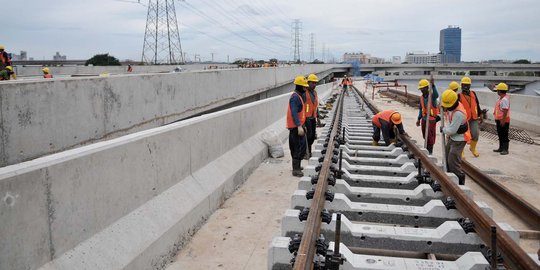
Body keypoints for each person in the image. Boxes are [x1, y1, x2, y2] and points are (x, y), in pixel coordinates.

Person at [440, 89, 471, 185]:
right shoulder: (452, 106)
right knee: (446, 157)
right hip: (453, 137)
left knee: (452, 159)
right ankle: (449, 177)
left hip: (459, 139)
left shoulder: (458, 113)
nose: (447, 108)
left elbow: (452, 130)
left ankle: (459, 179)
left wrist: (443, 129)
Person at [287, 75, 308, 177]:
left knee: (301, 147)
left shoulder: (298, 96)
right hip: (295, 128)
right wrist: (299, 126)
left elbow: (300, 113)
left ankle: (298, 166)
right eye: (304, 86)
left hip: (298, 126)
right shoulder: (295, 97)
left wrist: (302, 125)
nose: (305, 88)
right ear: (299, 86)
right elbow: (294, 113)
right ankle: (296, 169)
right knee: (297, 148)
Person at [459, 76, 482, 157]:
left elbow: (477, 105)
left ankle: (473, 148)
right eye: (464, 85)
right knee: (463, 136)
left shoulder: (473, 94)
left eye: (467, 85)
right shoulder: (459, 96)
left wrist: (480, 114)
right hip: (464, 120)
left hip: (473, 118)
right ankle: (461, 151)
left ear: (470, 86)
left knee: (475, 134)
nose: (466, 86)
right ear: (461, 86)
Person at [415, 78, 440, 154]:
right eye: (421, 89)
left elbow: (436, 95)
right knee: (425, 135)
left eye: (423, 88)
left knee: (430, 136)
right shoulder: (421, 97)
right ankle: (426, 148)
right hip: (424, 119)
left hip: (431, 119)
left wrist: (433, 85)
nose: (422, 90)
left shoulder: (432, 96)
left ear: (427, 88)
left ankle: (429, 151)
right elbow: (421, 109)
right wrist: (418, 119)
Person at [492, 83, 510, 155]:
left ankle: (505, 149)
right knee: (500, 134)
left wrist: (503, 121)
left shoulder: (504, 99)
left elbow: (505, 111)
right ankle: (501, 148)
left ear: (500, 91)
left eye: (497, 90)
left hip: (503, 120)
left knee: (504, 135)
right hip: (499, 119)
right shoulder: (502, 98)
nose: (497, 91)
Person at [305, 74, 319, 158]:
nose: (314, 85)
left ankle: (308, 151)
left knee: (312, 136)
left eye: (315, 83)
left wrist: (318, 116)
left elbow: (315, 105)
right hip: (306, 118)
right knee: (308, 136)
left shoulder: (314, 92)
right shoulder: (304, 92)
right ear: (308, 82)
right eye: (313, 83)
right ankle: (307, 152)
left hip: (313, 117)